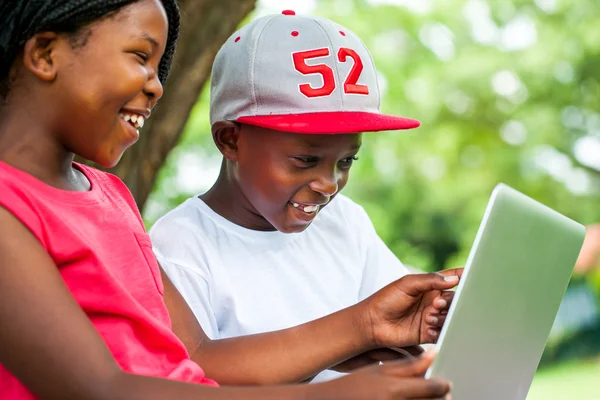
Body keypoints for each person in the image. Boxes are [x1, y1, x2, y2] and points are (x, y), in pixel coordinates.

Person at [0, 1, 456, 399]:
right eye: (141, 56)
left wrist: (363, 336)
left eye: (159, 65)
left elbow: (193, 359)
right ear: (44, 54)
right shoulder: (11, 209)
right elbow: (98, 389)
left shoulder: (110, 196)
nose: (157, 85)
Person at [150, 10, 458, 383]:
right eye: (305, 160)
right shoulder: (179, 247)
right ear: (231, 140)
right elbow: (189, 377)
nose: (328, 183)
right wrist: (360, 328)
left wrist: (439, 314)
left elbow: (398, 337)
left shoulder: (345, 221)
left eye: (346, 160)